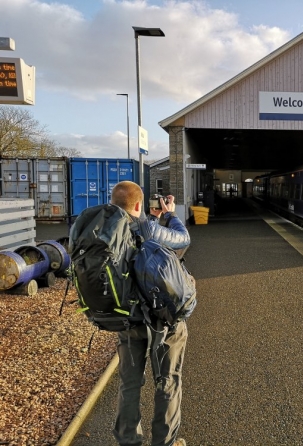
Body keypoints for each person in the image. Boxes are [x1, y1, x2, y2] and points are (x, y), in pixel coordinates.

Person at [110, 181, 190, 446]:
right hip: (161, 321)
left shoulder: (104, 231)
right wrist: (169, 215)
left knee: (129, 384)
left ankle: (128, 440)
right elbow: (183, 239)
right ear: (138, 205)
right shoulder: (149, 229)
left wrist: (150, 221)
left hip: (126, 321)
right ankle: (164, 442)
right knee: (167, 382)